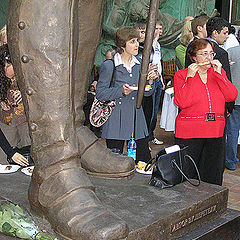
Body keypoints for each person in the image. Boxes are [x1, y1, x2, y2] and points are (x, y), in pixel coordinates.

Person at [174, 39, 238, 185]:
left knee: (212, 176)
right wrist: (190, 77)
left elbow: (231, 95)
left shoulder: (218, 73)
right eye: (204, 54)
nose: (209, 58)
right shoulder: (182, 75)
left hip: (215, 131)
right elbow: (182, 102)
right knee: (188, 175)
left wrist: (220, 75)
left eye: (211, 53)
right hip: (190, 132)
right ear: (194, 57)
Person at [96, 26, 158, 163]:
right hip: (116, 117)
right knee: (115, 161)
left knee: (143, 161)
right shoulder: (110, 65)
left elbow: (147, 93)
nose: (137, 44)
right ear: (122, 45)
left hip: (137, 117)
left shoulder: (140, 64)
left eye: (137, 41)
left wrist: (151, 81)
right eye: (132, 41)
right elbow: (100, 93)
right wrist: (121, 91)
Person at [0, 44, 31, 165]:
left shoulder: (28, 73)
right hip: (7, 118)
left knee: (30, 159)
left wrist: (25, 94)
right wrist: (2, 100)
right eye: (3, 65)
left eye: (9, 65)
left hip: (26, 119)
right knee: (3, 161)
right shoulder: (2, 76)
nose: (5, 69)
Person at [148, 20, 165, 145]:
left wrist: (162, 80)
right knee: (150, 111)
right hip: (151, 80)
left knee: (155, 110)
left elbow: (158, 63)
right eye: (157, 28)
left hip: (158, 79)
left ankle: (151, 134)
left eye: (161, 29)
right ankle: (146, 137)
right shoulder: (149, 44)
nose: (159, 31)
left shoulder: (158, 45)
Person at [225, 45, 240, 170]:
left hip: (235, 97)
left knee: (232, 131)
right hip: (234, 98)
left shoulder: (230, 52)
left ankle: (231, 161)